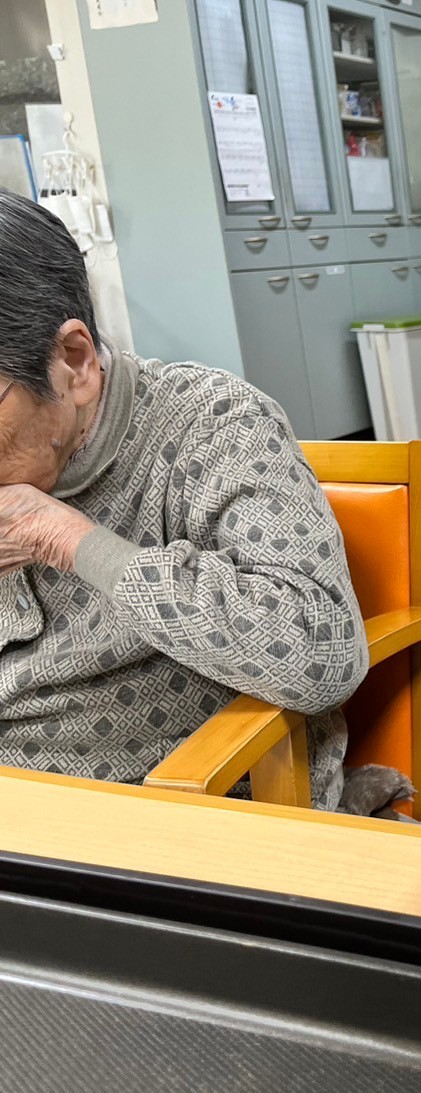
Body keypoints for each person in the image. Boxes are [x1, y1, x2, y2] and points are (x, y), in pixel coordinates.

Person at [0, 187, 369, 809]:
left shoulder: (215, 424)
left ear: (75, 361)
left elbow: (318, 651)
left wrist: (67, 538)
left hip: (168, 812)